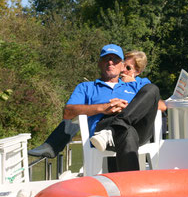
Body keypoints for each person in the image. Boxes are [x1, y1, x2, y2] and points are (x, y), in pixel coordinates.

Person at [29, 46, 160, 171]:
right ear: (99, 63)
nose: (110, 62)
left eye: (115, 59)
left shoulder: (136, 84)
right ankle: (130, 189)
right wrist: (103, 108)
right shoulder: (86, 87)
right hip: (103, 129)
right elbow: (68, 113)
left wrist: (128, 108)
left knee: (152, 89)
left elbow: (158, 104)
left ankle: (117, 126)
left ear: (121, 65)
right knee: (127, 131)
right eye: (106, 59)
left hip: (139, 129)